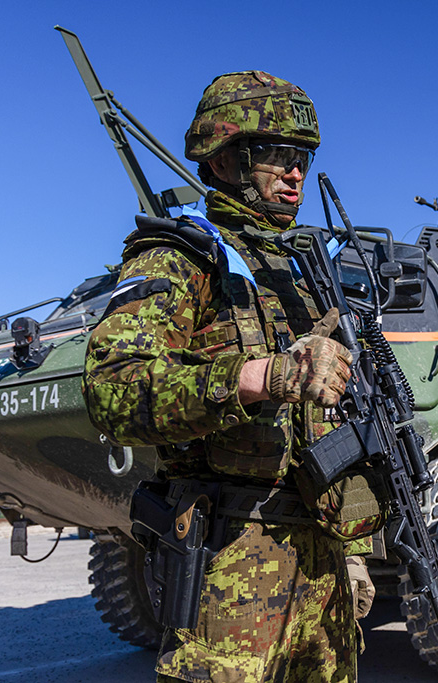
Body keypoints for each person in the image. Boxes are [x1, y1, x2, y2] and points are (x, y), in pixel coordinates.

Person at [83, 71, 381, 683]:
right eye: (276, 155)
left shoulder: (301, 274)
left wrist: (350, 553)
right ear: (223, 161)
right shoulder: (182, 257)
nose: (295, 173)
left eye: (302, 158)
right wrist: (261, 377)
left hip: (321, 562)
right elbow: (112, 390)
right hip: (230, 563)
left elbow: (325, 428)